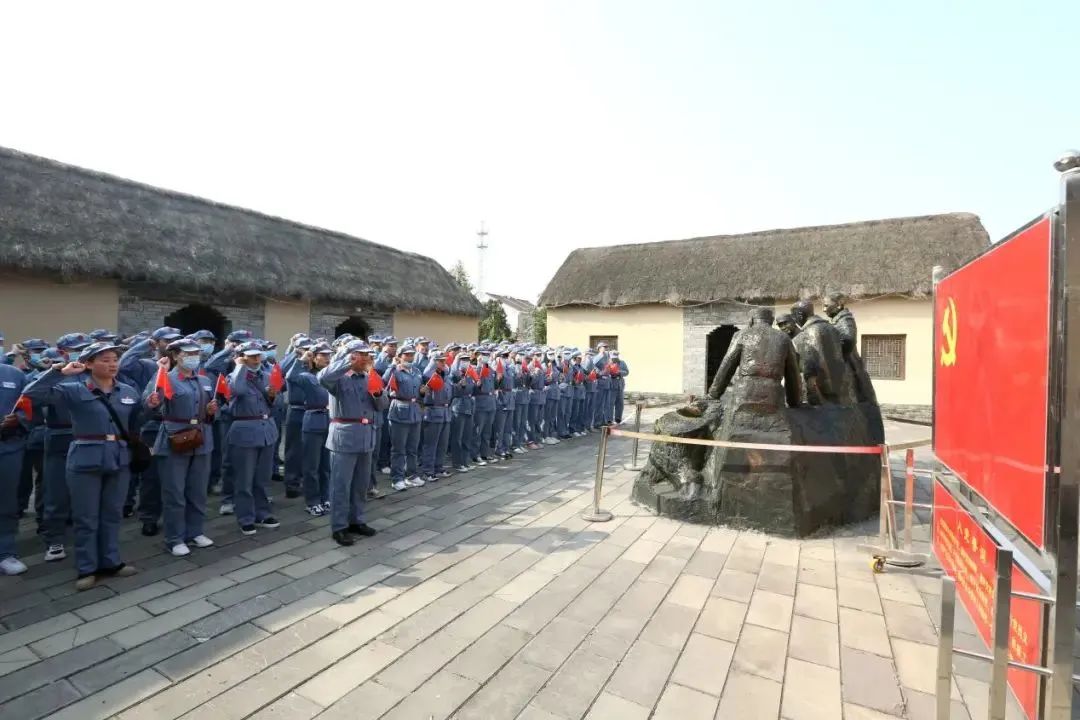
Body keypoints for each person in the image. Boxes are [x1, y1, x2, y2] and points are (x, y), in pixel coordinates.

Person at [21, 341, 141, 590]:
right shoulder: (73, 389)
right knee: (86, 517)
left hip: (118, 456)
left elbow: (136, 420)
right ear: (88, 364)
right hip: (86, 457)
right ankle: (87, 567)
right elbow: (32, 395)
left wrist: (151, 406)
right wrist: (57, 372)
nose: (112, 364)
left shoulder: (128, 391)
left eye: (115, 359)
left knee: (112, 513)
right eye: (105, 360)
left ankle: (111, 561)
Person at [145, 339, 218, 557]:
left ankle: (195, 531)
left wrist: (211, 411)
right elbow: (149, 405)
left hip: (201, 438)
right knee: (174, 493)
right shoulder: (165, 377)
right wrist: (153, 399)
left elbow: (211, 413)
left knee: (197, 490)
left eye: (196, 353)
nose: (194, 357)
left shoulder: (204, 380)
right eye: (188, 353)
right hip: (175, 439)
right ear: (176, 355)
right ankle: (174, 538)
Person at [317, 339, 383, 546]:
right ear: (351, 356)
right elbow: (322, 377)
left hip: (366, 434)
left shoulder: (369, 377)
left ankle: (357, 520)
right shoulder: (339, 378)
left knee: (361, 484)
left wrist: (378, 394)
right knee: (341, 485)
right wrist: (347, 362)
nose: (367, 358)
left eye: (367, 355)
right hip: (344, 436)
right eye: (362, 355)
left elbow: (382, 405)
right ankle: (339, 526)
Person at [36, 333, 92, 563]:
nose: (80, 352)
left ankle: (87, 537)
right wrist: (55, 373)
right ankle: (54, 539)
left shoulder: (91, 374)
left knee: (87, 493)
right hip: (60, 435)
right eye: (75, 348)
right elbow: (34, 395)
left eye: (84, 348)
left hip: (88, 436)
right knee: (56, 492)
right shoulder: (55, 375)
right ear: (62, 352)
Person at [120, 326, 180, 537]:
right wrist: (145, 344)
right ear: (157, 343)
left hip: (180, 426)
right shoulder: (147, 365)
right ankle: (149, 517)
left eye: (175, 341)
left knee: (176, 476)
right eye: (167, 341)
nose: (171, 345)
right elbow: (124, 365)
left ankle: (176, 518)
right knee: (151, 477)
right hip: (153, 426)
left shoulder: (184, 367)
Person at [226, 341, 280, 535]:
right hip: (245, 430)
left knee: (263, 477)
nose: (257, 359)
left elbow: (277, 403)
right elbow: (238, 390)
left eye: (258, 355)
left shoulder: (266, 376)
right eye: (251, 356)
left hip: (266, 430)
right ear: (242, 357)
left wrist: (273, 397)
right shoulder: (233, 376)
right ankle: (245, 517)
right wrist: (240, 367)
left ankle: (262, 513)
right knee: (244, 478)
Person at [286, 342, 333, 516]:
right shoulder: (306, 375)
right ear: (314, 357)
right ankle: (312, 500)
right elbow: (291, 377)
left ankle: (325, 497)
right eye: (323, 355)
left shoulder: (329, 375)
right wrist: (302, 359)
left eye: (329, 355)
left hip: (329, 420)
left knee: (326, 465)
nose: (327, 358)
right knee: (311, 466)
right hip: (313, 420)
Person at [0, 340, 28, 575]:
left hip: (8, 447)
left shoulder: (14, 375)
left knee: (6, 501)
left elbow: (28, 406)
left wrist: (19, 418)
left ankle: (5, 552)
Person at [385, 344, 425, 491]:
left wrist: (422, 392)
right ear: (400, 356)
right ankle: (397, 478)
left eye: (411, 355)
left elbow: (419, 389)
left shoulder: (417, 371)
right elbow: (384, 382)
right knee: (398, 449)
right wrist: (393, 366)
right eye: (406, 355)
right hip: (399, 410)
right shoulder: (395, 370)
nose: (409, 357)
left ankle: (412, 475)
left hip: (414, 410)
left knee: (412, 448)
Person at [280, 333, 310, 499]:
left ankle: (306, 480)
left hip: (311, 410)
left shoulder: (311, 364)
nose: (306, 351)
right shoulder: (293, 362)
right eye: (303, 348)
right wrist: (295, 355)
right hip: (296, 409)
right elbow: (282, 371)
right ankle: (292, 483)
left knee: (309, 449)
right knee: (294, 450)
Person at [419, 351, 453, 482]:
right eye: (440, 361)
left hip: (445, 411)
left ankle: (439, 467)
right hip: (433, 411)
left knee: (442, 443)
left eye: (444, 360)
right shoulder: (428, 375)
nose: (443, 363)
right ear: (433, 361)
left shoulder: (445, 375)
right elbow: (424, 390)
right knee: (431, 444)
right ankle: (428, 470)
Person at [449, 353, 476, 472]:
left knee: (467, 435)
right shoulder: (454, 374)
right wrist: (459, 386)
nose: (466, 362)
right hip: (458, 406)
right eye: (463, 359)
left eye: (467, 359)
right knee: (457, 437)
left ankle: (465, 461)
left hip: (468, 406)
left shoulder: (469, 373)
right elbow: (451, 390)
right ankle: (457, 463)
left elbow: (472, 389)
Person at [470, 348, 496, 464]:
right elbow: (474, 389)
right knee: (478, 430)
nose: (485, 356)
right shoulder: (475, 369)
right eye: (483, 354)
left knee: (487, 431)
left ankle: (485, 453)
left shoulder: (490, 369)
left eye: (487, 354)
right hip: (481, 402)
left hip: (490, 402)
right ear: (478, 356)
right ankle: (475, 455)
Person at [609, 350, 630, 424]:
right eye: (613, 357)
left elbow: (627, 372)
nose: (615, 359)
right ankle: (609, 419)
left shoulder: (622, 362)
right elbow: (605, 372)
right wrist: (611, 373)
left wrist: (619, 372)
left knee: (620, 403)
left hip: (620, 385)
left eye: (616, 357)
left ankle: (618, 418)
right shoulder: (608, 363)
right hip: (612, 385)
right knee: (610, 403)